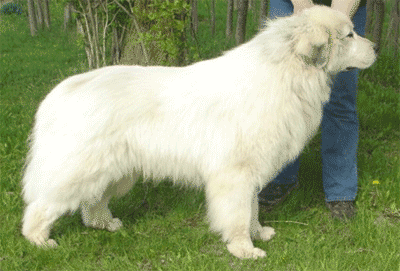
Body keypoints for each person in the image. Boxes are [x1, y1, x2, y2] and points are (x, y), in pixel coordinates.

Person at [258, 0, 368, 220]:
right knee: (283, 97)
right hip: (292, 5)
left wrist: (339, 22)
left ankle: (340, 191)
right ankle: (280, 179)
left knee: (340, 98)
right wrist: (302, 7)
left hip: (345, 5)